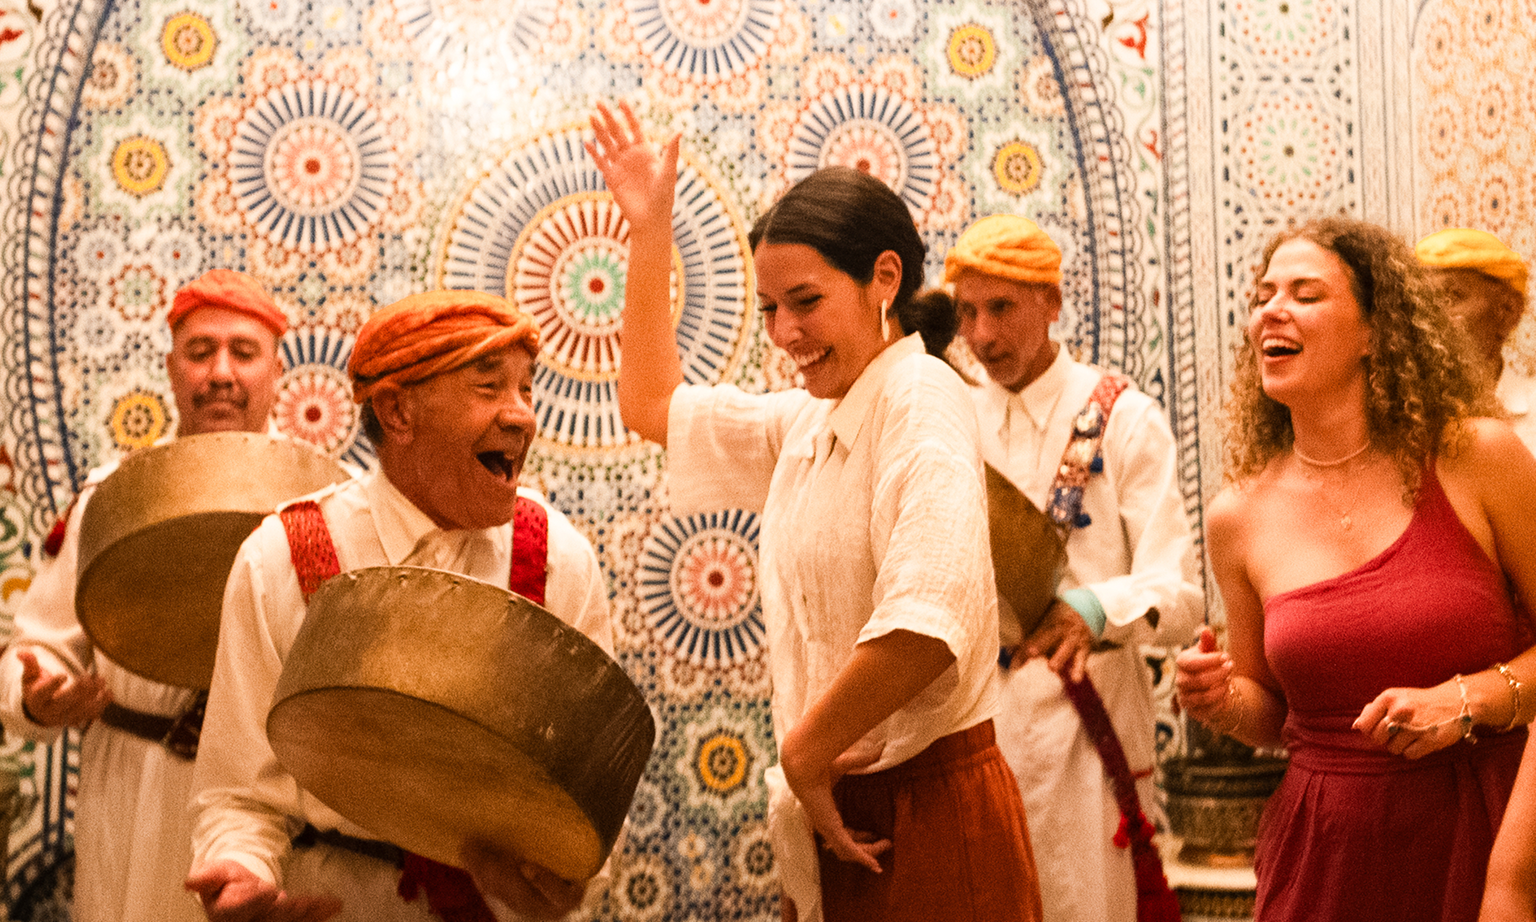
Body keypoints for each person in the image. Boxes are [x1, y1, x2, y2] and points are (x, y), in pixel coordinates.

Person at [587, 100, 1041, 922]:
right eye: (768, 309)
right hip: (845, 806)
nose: (784, 332)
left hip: (929, 812)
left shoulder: (921, 395)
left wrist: (803, 751)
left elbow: (928, 619)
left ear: (884, 280)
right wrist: (650, 232)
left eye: (804, 301)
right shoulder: (810, 420)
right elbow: (653, 405)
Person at [184, 289, 616, 922]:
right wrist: (244, 874)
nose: (521, 416)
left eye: (527, 389)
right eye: (488, 388)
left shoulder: (559, 561)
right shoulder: (283, 556)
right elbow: (239, 793)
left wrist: (575, 879)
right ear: (397, 412)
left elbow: (594, 793)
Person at [1174, 217, 1536, 922]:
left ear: (1376, 331)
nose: (1271, 310)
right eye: (1262, 295)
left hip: (1494, 831)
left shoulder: (1477, 458)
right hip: (1327, 856)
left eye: (1305, 294)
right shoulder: (1236, 517)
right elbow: (1276, 714)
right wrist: (1221, 702)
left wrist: (1465, 702)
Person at [0, 268, 287, 922]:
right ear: (170, 367)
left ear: (276, 372)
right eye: (199, 351)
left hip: (268, 807)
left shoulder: (321, 501)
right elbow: (34, 649)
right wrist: (40, 696)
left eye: (243, 353)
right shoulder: (113, 497)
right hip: (134, 796)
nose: (220, 372)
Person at [938, 214, 1202, 922]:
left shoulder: (1124, 418)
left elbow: (1182, 596)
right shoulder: (945, 419)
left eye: (1001, 308)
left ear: (1051, 304)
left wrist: (1095, 610)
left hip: (1093, 737)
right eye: (966, 312)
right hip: (973, 736)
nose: (981, 335)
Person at [1416, 228, 1533, 449]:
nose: (1427, 317)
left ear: (1507, 310)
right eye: (1422, 302)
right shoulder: (1398, 419)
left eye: (1451, 297)